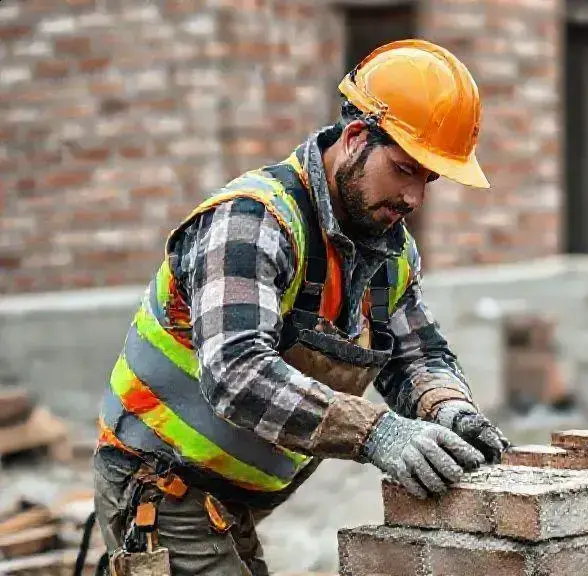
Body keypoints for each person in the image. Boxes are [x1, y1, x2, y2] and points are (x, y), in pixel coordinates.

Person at [91, 39, 510, 575]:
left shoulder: (387, 247)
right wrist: (376, 432)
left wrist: (450, 409)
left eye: (429, 179)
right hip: (162, 484)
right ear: (357, 137)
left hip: (232, 499)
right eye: (405, 169)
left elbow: (416, 353)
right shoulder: (253, 221)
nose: (415, 198)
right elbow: (237, 374)